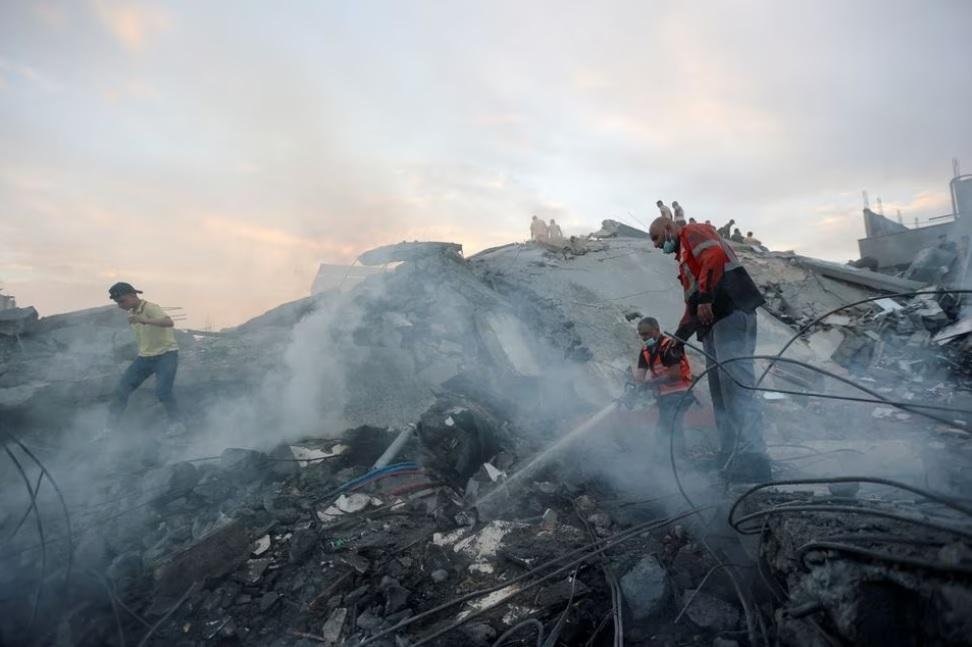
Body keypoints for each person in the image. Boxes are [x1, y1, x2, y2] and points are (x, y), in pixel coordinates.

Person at [648, 217, 770, 481]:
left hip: (731, 312)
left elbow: (714, 256)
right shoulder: (685, 262)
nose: (657, 246)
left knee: (736, 387)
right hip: (713, 325)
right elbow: (692, 308)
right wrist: (678, 341)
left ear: (669, 229)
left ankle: (754, 459)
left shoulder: (694, 231)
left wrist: (705, 297)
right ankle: (731, 456)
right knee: (721, 394)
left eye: (657, 238)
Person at [106, 282, 184, 434]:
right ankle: (109, 429)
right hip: (145, 358)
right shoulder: (131, 313)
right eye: (117, 303)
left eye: (122, 301)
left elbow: (169, 322)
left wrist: (145, 320)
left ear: (132, 295)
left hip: (166, 355)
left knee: (163, 391)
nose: (120, 305)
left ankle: (177, 424)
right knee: (121, 390)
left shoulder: (150, 308)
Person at [631, 317, 694, 460]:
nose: (644, 338)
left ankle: (678, 460)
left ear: (657, 330)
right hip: (665, 395)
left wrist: (650, 384)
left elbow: (675, 375)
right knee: (665, 427)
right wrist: (634, 386)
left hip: (681, 392)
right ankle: (668, 460)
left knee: (670, 425)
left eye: (647, 334)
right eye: (641, 334)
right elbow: (640, 376)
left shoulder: (670, 346)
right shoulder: (646, 350)